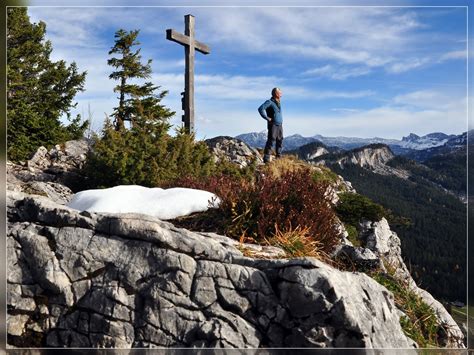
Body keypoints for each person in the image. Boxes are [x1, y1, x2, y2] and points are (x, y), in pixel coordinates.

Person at [258, 87, 283, 163]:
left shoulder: (278, 102)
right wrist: (267, 118)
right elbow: (260, 109)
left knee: (280, 140)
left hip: (279, 125)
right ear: (276, 94)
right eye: (280, 93)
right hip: (273, 125)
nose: (281, 95)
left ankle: (278, 157)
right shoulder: (270, 102)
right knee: (271, 140)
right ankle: (266, 158)